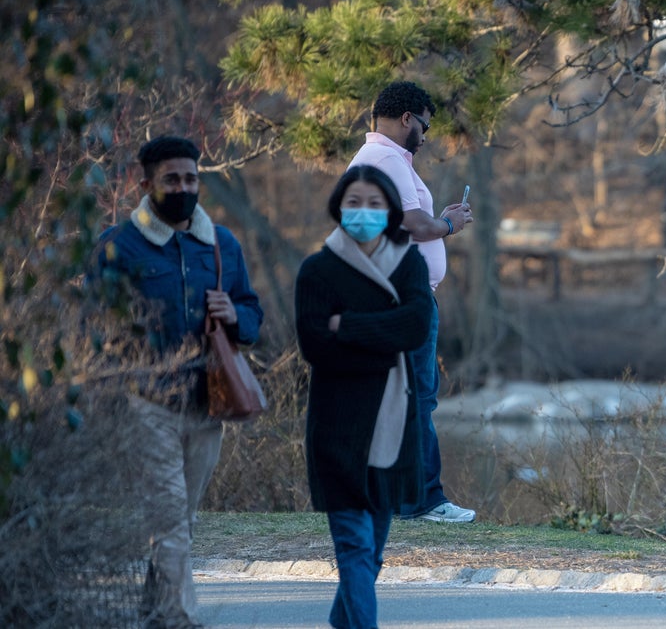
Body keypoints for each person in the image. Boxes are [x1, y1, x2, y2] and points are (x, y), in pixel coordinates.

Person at [96, 136, 263, 628]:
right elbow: (87, 323)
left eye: (191, 178)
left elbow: (252, 310)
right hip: (146, 401)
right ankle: (181, 619)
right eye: (172, 179)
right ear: (146, 184)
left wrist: (235, 315)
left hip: (209, 400)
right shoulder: (118, 246)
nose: (184, 187)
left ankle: (155, 613)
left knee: (181, 522)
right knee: (169, 519)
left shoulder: (222, 243)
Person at [295, 165, 434, 629]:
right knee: (353, 547)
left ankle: (343, 620)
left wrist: (348, 327)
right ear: (339, 206)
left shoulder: (408, 263)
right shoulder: (318, 270)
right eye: (354, 202)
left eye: (375, 204)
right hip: (338, 425)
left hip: (394, 422)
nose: (364, 212)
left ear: (391, 210)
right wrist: (382, 341)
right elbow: (315, 345)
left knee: (370, 553)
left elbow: (415, 328)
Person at [347, 80, 476, 523]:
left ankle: (391, 497)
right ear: (407, 119)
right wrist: (449, 222)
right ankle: (425, 501)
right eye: (424, 125)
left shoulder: (380, 159)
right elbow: (414, 224)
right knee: (418, 399)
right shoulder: (385, 157)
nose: (426, 135)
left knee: (401, 399)